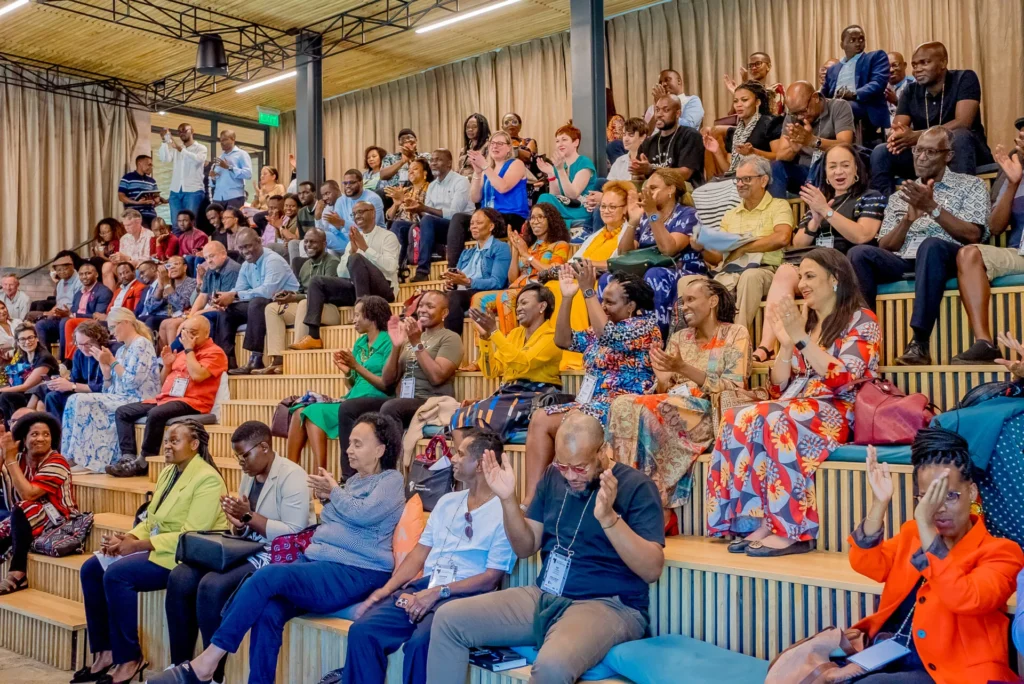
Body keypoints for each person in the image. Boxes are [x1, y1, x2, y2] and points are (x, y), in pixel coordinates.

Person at [151, 413, 406, 684]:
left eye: (358, 444)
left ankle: (208, 661)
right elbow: (338, 521)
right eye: (349, 443)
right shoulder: (354, 482)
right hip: (320, 564)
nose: (348, 449)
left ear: (380, 450)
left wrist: (333, 494)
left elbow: (363, 515)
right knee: (268, 609)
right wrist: (331, 496)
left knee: (269, 575)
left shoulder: (390, 481)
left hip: (358, 571)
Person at [427, 412, 665, 683]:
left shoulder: (636, 486)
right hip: (546, 595)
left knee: (551, 666)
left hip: (608, 604)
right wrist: (507, 500)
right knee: (448, 620)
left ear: (603, 451)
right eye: (563, 466)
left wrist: (610, 519)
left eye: (580, 467)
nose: (571, 476)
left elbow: (652, 569)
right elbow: (525, 547)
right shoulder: (554, 477)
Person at [707, 249, 880, 556]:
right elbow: (778, 385)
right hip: (798, 404)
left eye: (810, 276)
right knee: (737, 416)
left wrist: (802, 338)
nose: (802, 284)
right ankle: (758, 520)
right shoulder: (808, 323)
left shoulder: (862, 320)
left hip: (839, 410)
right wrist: (786, 345)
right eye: (801, 276)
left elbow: (843, 377)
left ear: (836, 279)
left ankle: (792, 529)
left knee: (775, 418)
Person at [335, 428, 515, 684]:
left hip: (466, 599)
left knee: (422, 645)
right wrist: (385, 591)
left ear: (481, 463)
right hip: (426, 586)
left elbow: (490, 578)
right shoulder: (447, 502)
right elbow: (419, 554)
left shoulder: (505, 512)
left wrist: (439, 592)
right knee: (363, 631)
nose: (452, 458)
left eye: (460, 454)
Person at [848, 430, 1024, 683]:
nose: (938, 507)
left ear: (972, 492)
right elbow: (867, 564)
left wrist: (926, 526)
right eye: (928, 497)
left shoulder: (1001, 551)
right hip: (890, 652)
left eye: (950, 495)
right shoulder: (912, 534)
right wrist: (879, 504)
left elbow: (967, 598)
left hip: (950, 670)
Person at [76, 420, 227, 684]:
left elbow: (191, 534)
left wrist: (137, 546)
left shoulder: (208, 479)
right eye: (167, 440)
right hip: (159, 546)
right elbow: (152, 519)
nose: (167, 445)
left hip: (185, 554)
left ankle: (130, 658)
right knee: (91, 568)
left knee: (117, 575)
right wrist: (128, 537)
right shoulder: (170, 471)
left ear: (194, 445)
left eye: (175, 441)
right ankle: (106, 651)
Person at [165, 421, 313, 684]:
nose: (241, 462)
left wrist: (248, 517)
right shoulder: (250, 473)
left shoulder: (293, 476)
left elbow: (294, 532)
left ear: (265, 447)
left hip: (278, 554)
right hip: (249, 546)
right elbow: (248, 525)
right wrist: (238, 523)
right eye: (237, 456)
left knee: (212, 585)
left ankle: (212, 676)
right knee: (181, 576)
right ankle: (180, 664)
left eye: (245, 455)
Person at [849, 127, 989, 366]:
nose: (921, 157)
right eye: (918, 150)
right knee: (859, 253)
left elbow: (973, 234)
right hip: (907, 260)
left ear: (948, 156)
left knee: (931, 245)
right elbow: (886, 244)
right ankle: (863, 338)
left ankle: (920, 342)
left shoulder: (971, 185)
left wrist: (933, 208)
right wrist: (908, 220)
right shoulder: (901, 194)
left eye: (930, 151)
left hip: (950, 257)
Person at [608, 278, 751, 512]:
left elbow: (734, 387)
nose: (684, 307)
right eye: (683, 302)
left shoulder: (736, 333)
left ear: (712, 301)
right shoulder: (679, 338)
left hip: (707, 411)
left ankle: (654, 504)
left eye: (691, 300)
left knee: (647, 412)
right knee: (623, 404)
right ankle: (626, 497)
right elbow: (665, 388)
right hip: (672, 405)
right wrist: (662, 378)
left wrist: (683, 368)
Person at [523, 264, 660, 504]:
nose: (604, 307)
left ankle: (571, 501)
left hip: (621, 405)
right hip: (590, 403)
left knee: (576, 419)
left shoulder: (644, 327)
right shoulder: (597, 329)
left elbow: (609, 337)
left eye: (610, 302)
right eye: (602, 300)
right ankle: (531, 502)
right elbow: (563, 340)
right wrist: (567, 298)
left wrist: (588, 291)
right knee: (540, 418)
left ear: (631, 306)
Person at [751, 143, 885, 362]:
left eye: (844, 166)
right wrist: (815, 220)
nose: (838, 172)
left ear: (857, 171)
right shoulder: (819, 200)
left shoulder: (871, 197)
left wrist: (827, 211)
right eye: (832, 167)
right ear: (826, 173)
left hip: (845, 265)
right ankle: (767, 345)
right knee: (785, 272)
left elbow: (862, 235)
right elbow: (798, 242)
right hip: (814, 265)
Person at [109, 315, 228, 477]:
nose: (187, 337)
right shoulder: (180, 353)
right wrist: (167, 366)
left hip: (194, 402)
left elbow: (198, 375)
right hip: (167, 398)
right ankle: (128, 457)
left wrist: (189, 350)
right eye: (185, 332)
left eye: (193, 332)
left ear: (207, 334)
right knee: (122, 412)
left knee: (156, 414)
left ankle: (145, 460)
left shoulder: (215, 353)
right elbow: (163, 382)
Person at [287, 296, 394, 475]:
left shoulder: (388, 341)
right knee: (299, 410)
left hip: (376, 398)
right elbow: (352, 383)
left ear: (372, 317)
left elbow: (387, 384)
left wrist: (356, 366)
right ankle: (292, 473)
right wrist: (346, 371)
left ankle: (319, 474)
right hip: (353, 398)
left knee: (313, 412)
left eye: (358, 315)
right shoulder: (360, 343)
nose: (353, 319)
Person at [871, 41, 993, 195]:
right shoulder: (911, 90)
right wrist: (897, 135)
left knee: (959, 135)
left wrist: (918, 136)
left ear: (943, 62)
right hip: (926, 157)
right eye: (915, 65)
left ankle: (958, 206)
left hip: (964, 151)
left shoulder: (964, 78)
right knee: (881, 152)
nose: (918, 70)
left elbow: (963, 122)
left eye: (924, 63)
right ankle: (884, 210)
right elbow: (898, 127)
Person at [453, 284, 563, 440]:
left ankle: (483, 460)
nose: (518, 308)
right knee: (459, 418)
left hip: (535, 395)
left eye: (524, 303)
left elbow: (522, 363)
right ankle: (466, 462)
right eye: (517, 304)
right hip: (509, 393)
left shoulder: (552, 336)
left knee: (485, 420)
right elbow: (491, 371)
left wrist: (494, 333)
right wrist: (485, 339)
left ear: (542, 306)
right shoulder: (514, 334)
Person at [287, 202, 399, 352]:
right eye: (355, 213)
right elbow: (341, 273)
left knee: (356, 259)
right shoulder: (351, 241)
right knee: (317, 281)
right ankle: (313, 336)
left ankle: (362, 313)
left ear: (373, 213)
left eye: (361, 212)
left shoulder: (388, 236)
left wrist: (365, 249)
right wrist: (353, 250)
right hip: (359, 288)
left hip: (384, 289)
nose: (357, 216)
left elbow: (391, 267)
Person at [953, 132, 1024, 363]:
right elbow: (994, 227)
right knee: (969, 254)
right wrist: (1013, 184)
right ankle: (984, 344)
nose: (1020, 137)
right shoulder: (1012, 170)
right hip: (1019, 252)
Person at [62, 308, 160, 474]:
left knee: (83, 400)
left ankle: (89, 461)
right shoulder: (122, 349)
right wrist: (105, 370)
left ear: (127, 323)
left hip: (140, 398)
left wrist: (112, 362)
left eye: (114, 327)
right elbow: (110, 387)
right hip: (121, 396)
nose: (112, 332)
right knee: (74, 398)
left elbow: (132, 382)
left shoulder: (142, 344)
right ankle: (69, 456)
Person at [708, 156, 796, 337]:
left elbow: (782, 238)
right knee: (692, 283)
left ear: (763, 180)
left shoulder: (779, 206)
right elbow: (717, 257)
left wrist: (744, 247)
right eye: (738, 180)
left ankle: (738, 340)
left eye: (747, 179)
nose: (740, 184)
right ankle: (704, 341)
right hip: (730, 271)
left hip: (766, 270)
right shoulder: (730, 214)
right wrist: (701, 246)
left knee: (749, 276)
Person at [615, 168, 708, 332]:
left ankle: (655, 337)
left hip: (683, 270)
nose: (647, 194)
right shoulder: (644, 217)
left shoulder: (687, 214)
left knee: (655, 274)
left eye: (653, 188)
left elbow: (668, 250)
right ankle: (618, 337)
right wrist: (633, 221)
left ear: (671, 189)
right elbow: (623, 253)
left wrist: (652, 213)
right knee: (610, 279)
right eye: (645, 189)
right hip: (648, 270)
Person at [0, 413, 76, 595]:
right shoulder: (18, 459)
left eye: (46, 434)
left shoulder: (57, 461)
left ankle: (18, 573)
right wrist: (3, 453)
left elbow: (30, 494)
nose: (41, 438)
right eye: (34, 434)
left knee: (23, 508)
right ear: (23, 440)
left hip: (59, 520)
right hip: (21, 520)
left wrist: (9, 460)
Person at [471, 202, 571, 335]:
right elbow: (513, 278)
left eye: (540, 217)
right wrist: (516, 250)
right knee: (478, 299)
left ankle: (510, 344)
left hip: (539, 290)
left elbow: (554, 271)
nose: (535, 221)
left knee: (505, 297)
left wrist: (526, 255)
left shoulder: (560, 245)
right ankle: (485, 345)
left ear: (551, 220)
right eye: (533, 218)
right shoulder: (527, 247)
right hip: (517, 288)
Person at [209, 228, 300, 371]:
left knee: (257, 302)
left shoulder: (273, 260)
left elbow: (267, 292)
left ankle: (256, 358)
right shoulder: (246, 265)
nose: (245, 251)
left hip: (285, 303)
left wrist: (235, 295)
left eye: (248, 246)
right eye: (241, 248)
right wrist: (225, 298)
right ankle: (227, 360)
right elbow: (239, 288)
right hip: (262, 304)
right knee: (226, 311)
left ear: (259, 241)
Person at [256, 229, 341, 375]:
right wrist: (290, 294)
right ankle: (278, 359)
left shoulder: (332, 262)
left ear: (324, 244)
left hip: (330, 309)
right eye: (306, 241)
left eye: (313, 241)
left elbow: (329, 294)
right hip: (309, 310)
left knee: (303, 303)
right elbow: (302, 292)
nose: (309, 245)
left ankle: (294, 357)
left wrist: (297, 298)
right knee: (271, 308)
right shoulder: (305, 265)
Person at [380, 291, 463, 430]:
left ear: (444, 313)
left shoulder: (451, 338)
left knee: (391, 407)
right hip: (405, 400)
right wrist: (396, 346)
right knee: (351, 407)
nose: (422, 310)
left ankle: (394, 452)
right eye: (421, 305)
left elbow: (437, 377)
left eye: (430, 306)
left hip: (431, 401)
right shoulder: (413, 337)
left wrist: (416, 343)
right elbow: (388, 381)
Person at [448, 131, 529, 267]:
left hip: (511, 217)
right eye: (492, 143)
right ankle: (453, 267)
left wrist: (485, 166)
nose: (495, 146)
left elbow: (503, 187)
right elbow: (475, 197)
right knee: (458, 219)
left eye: (500, 143)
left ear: (509, 147)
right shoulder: (487, 170)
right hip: (488, 217)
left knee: (483, 220)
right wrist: (478, 173)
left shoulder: (516, 164)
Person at [769, 81, 855, 198]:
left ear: (815, 97)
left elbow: (846, 145)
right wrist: (794, 149)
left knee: (820, 170)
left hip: (830, 171)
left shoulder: (838, 107)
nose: (799, 117)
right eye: (795, 113)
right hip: (805, 172)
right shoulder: (792, 117)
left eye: (803, 111)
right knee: (776, 167)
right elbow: (780, 156)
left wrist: (812, 141)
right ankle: (778, 214)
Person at [402, 149, 475, 283]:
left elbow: (454, 213)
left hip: (462, 226)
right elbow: (427, 215)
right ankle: (398, 272)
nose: (434, 163)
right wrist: (417, 209)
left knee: (430, 219)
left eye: (438, 160)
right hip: (440, 226)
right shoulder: (432, 186)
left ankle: (423, 270)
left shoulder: (460, 182)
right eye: (432, 160)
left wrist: (424, 208)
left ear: (449, 164)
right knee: (399, 225)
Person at [441, 208, 512, 335]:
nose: (473, 226)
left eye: (478, 223)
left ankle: (451, 343)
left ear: (491, 226)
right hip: (464, 291)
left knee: (453, 297)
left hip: (484, 292)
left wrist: (469, 282)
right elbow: (457, 278)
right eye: (472, 223)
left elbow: (497, 282)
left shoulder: (501, 248)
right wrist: (451, 283)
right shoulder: (466, 253)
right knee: (430, 297)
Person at [821, 25, 892, 146]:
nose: (858, 43)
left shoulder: (875, 57)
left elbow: (878, 83)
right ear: (842, 45)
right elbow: (824, 91)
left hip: (864, 105)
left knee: (842, 107)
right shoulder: (833, 69)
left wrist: (853, 94)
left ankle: (839, 142)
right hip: (835, 105)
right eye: (852, 40)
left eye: (861, 39)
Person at [25, 321, 107, 421]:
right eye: (79, 344)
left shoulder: (109, 353)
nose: (83, 348)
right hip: (82, 391)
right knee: (51, 395)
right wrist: (63, 383)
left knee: (46, 397)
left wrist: (72, 386)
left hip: (101, 395)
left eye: (88, 344)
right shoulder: (79, 353)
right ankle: (56, 432)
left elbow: (106, 387)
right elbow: (75, 379)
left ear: (99, 340)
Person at [703, 81, 783, 176]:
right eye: (735, 101)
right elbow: (729, 170)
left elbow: (779, 157)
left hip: (764, 179)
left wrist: (753, 152)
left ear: (757, 102)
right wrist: (717, 152)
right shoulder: (734, 133)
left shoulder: (770, 123)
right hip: (737, 180)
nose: (738, 105)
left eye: (744, 100)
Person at [38, 262, 112, 359]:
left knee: (66, 321)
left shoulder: (103, 292)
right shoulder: (78, 293)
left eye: (88, 273)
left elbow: (98, 316)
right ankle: (45, 358)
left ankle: (65, 359)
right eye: (81, 274)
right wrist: (62, 313)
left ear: (96, 275)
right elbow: (72, 312)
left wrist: (73, 315)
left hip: (90, 324)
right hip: (72, 321)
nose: (84, 277)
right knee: (42, 324)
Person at [633, 95, 705, 186]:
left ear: (677, 114)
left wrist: (652, 169)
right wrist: (638, 174)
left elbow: (685, 174)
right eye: (657, 110)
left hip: (684, 190)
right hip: (652, 190)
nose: (659, 114)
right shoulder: (647, 143)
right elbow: (640, 176)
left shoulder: (691, 136)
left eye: (666, 110)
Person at [536, 123, 598, 223]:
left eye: (564, 140)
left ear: (576, 142)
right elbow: (555, 196)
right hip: (565, 207)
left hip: (582, 208)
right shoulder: (560, 164)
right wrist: (551, 174)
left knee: (544, 199)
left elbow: (572, 194)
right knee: (545, 198)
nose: (560, 144)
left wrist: (560, 170)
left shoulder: (584, 162)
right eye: (557, 141)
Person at [316, 173, 387, 253]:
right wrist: (336, 227)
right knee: (317, 236)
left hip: (370, 238)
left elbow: (369, 228)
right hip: (347, 238)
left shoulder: (373, 198)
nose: (347, 186)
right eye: (345, 183)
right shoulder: (341, 200)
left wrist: (342, 223)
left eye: (351, 182)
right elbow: (333, 229)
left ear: (361, 183)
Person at [385, 158, 433, 268]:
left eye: (415, 169)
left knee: (398, 225)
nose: (411, 172)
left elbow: (427, 214)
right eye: (409, 170)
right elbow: (389, 216)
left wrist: (404, 200)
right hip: (399, 227)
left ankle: (393, 267)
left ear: (425, 173)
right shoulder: (406, 191)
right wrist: (396, 204)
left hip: (419, 225)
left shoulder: (430, 188)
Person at [159, 123, 208, 223]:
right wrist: (164, 141)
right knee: (176, 224)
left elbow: (198, 160)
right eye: (180, 131)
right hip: (176, 190)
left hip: (193, 191)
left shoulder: (201, 148)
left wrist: (181, 149)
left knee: (189, 223)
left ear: (192, 131)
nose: (182, 133)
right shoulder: (177, 148)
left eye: (185, 130)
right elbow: (165, 159)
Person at [139, 256, 195, 343]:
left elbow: (182, 304)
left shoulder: (192, 282)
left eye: (176, 264)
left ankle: (150, 351)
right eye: (169, 265)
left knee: (151, 320)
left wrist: (167, 285)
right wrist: (160, 289)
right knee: (138, 320)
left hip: (176, 316)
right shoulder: (165, 281)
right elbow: (149, 307)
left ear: (185, 267)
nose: (172, 267)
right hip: (159, 315)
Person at [723, 52, 786, 116]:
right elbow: (732, 116)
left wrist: (745, 85)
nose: (753, 68)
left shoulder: (776, 88)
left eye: (758, 64)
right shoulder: (746, 89)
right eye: (751, 65)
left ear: (768, 66)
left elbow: (773, 114)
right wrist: (737, 93)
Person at [205, 129, 251, 210]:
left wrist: (229, 167)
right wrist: (213, 177)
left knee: (233, 221)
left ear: (233, 139)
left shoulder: (241, 154)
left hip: (234, 196)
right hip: (218, 197)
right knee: (218, 222)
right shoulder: (220, 157)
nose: (222, 142)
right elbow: (213, 183)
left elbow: (248, 174)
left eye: (225, 139)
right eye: (221, 140)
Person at [118, 154, 162, 228]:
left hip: (151, 215)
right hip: (134, 215)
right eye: (149, 164)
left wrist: (155, 200)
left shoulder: (152, 181)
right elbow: (121, 197)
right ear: (140, 163)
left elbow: (157, 198)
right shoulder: (127, 178)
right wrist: (136, 202)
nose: (151, 167)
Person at [606, 117, 648, 181]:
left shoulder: (648, 161)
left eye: (631, 135)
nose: (626, 139)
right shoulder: (619, 161)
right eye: (624, 134)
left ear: (642, 137)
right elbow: (609, 184)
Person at [90, 217, 125, 291]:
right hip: (105, 267)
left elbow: (116, 261)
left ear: (114, 231)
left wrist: (101, 256)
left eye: (106, 232)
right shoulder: (105, 244)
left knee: (97, 260)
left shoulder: (118, 242)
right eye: (101, 233)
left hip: (116, 266)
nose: (103, 235)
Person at [457, 113, 491, 177]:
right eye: (468, 127)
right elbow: (459, 169)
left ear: (483, 128)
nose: (470, 129)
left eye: (474, 127)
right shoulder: (464, 150)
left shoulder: (488, 146)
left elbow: (489, 168)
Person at [886, 51, 914, 123]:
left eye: (895, 65)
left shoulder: (914, 85)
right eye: (887, 66)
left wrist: (896, 101)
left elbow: (919, 112)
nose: (891, 70)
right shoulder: (882, 88)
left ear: (904, 65)